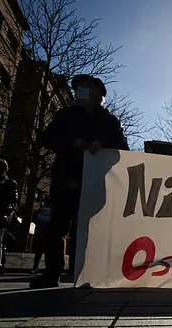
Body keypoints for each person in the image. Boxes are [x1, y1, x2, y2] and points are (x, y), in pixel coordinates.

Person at [30, 74, 128, 288]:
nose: (81, 91)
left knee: (90, 229)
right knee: (58, 227)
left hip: (95, 181)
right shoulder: (64, 116)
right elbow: (46, 139)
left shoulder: (109, 121)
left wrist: (100, 144)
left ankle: (86, 273)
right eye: (78, 88)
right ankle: (52, 273)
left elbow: (122, 150)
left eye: (86, 88)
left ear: (99, 95)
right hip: (65, 178)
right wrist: (72, 142)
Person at [30, 197, 51, 274]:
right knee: (47, 251)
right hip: (47, 231)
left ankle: (35, 267)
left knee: (38, 252)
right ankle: (47, 268)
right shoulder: (52, 212)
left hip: (40, 231)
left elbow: (34, 219)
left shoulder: (39, 211)